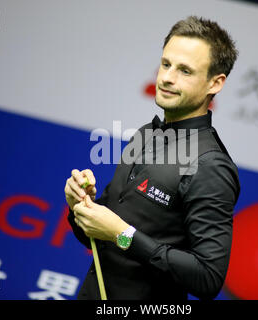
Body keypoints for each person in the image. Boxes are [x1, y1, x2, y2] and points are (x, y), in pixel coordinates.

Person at [64, 16, 240, 300]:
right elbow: (100, 237)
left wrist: (123, 233)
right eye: (166, 63)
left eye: (185, 71)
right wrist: (81, 207)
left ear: (215, 83)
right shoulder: (146, 133)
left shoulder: (210, 165)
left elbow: (208, 278)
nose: (167, 77)